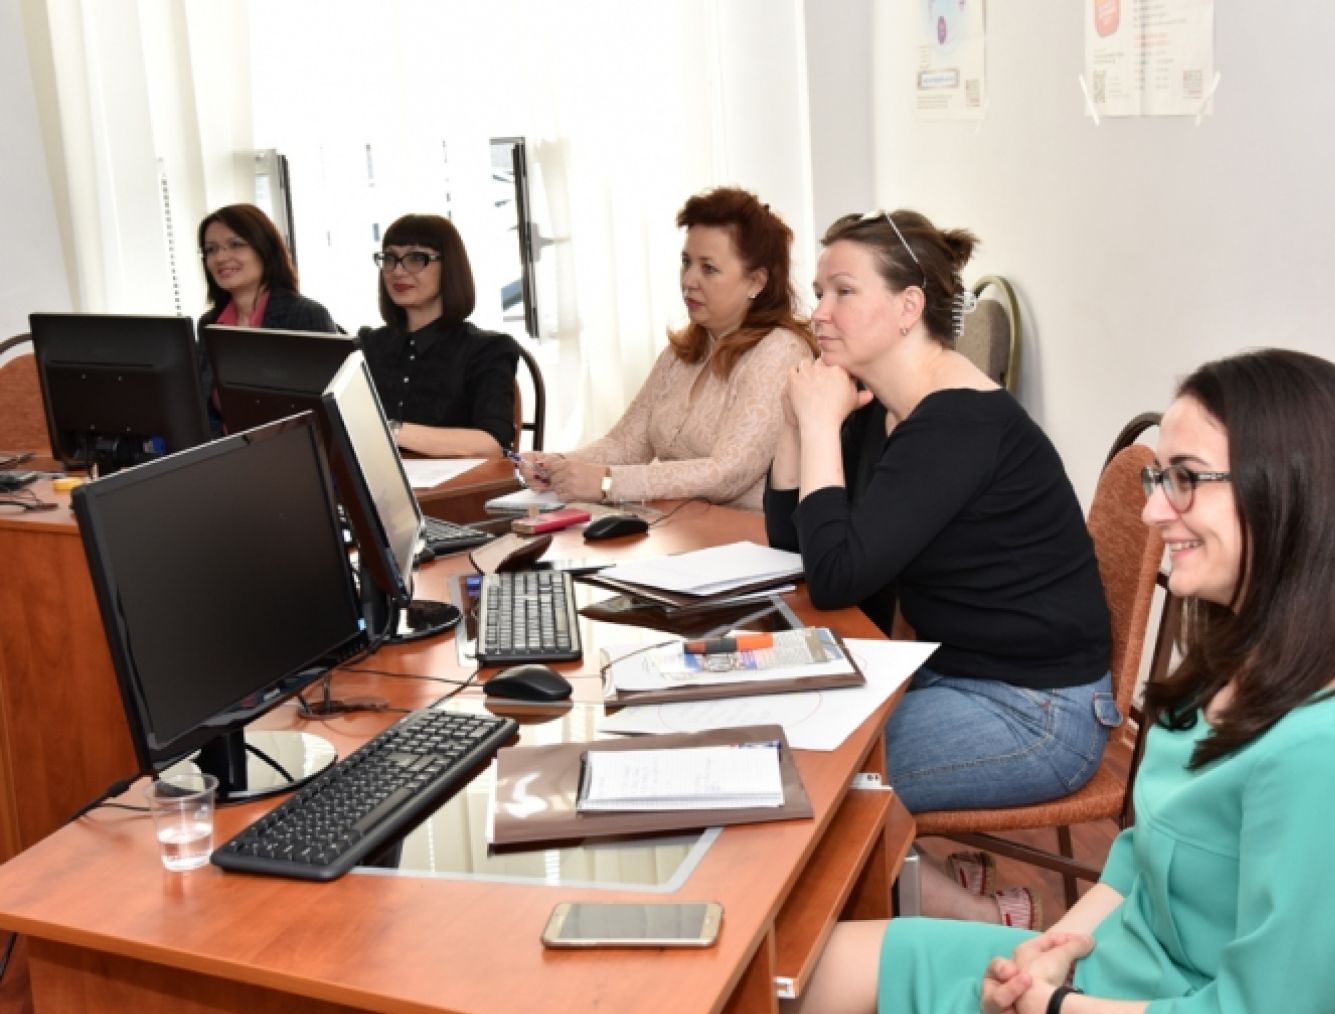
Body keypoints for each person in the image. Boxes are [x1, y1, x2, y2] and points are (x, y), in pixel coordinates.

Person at [779, 349, 1335, 1014]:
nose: (1153, 510)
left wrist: (1056, 1008)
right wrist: (1054, 951)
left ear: (1292, 494)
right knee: (795, 982)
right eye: (1159, 479)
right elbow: (1138, 860)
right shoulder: (1248, 658)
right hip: (1118, 973)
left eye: (1186, 479)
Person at [765, 209, 1115, 926]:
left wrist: (821, 423)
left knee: (816, 779)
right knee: (795, 739)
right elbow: (797, 553)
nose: (819, 312)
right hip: (957, 675)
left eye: (842, 292)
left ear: (908, 307)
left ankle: (983, 919)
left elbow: (835, 578)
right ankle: (927, 881)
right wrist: (801, 425)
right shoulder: (885, 409)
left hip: (1036, 711)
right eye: (819, 291)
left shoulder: (956, 424)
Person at [518, 187, 814, 509]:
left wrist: (607, 482)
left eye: (708, 268)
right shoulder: (682, 352)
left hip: (744, 532)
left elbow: (727, 474)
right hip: (674, 525)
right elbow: (626, 444)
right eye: (686, 262)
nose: (688, 280)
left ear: (756, 282)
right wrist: (558, 464)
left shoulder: (781, 351)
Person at [359, 214, 519, 457]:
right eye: (389, 258)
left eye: (416, 258)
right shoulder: (367, 345)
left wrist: (390, 430)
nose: (397, 271)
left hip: (457, 482)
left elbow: (492, 442)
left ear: (449, 267)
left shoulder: (488, 349)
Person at [196, 203, 338, 429]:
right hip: (229, 447)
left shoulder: (305, 315)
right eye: (211, 249)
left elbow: (331, 412)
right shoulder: (209, 324)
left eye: (236, 244)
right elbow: (205, 411)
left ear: (264, 249)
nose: (220, 257)